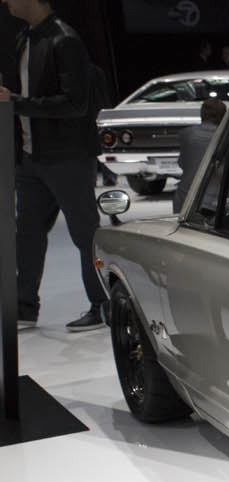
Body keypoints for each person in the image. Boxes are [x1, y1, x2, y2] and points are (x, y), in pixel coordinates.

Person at [0, 0, 107, 332]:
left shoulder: (65, 40)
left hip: (68, 157)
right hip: (31, 158)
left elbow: (76, 104)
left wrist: (16, 104)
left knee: (84, 233)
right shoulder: (24, 38)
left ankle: (102, 306)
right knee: (27, 235)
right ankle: (24, 308)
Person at [173, 98, 225, 214]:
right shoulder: (226, 135)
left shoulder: (186, 134)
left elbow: (182, 163)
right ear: (223, 116)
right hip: (212, 199)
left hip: (184, 194)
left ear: (202, 114)